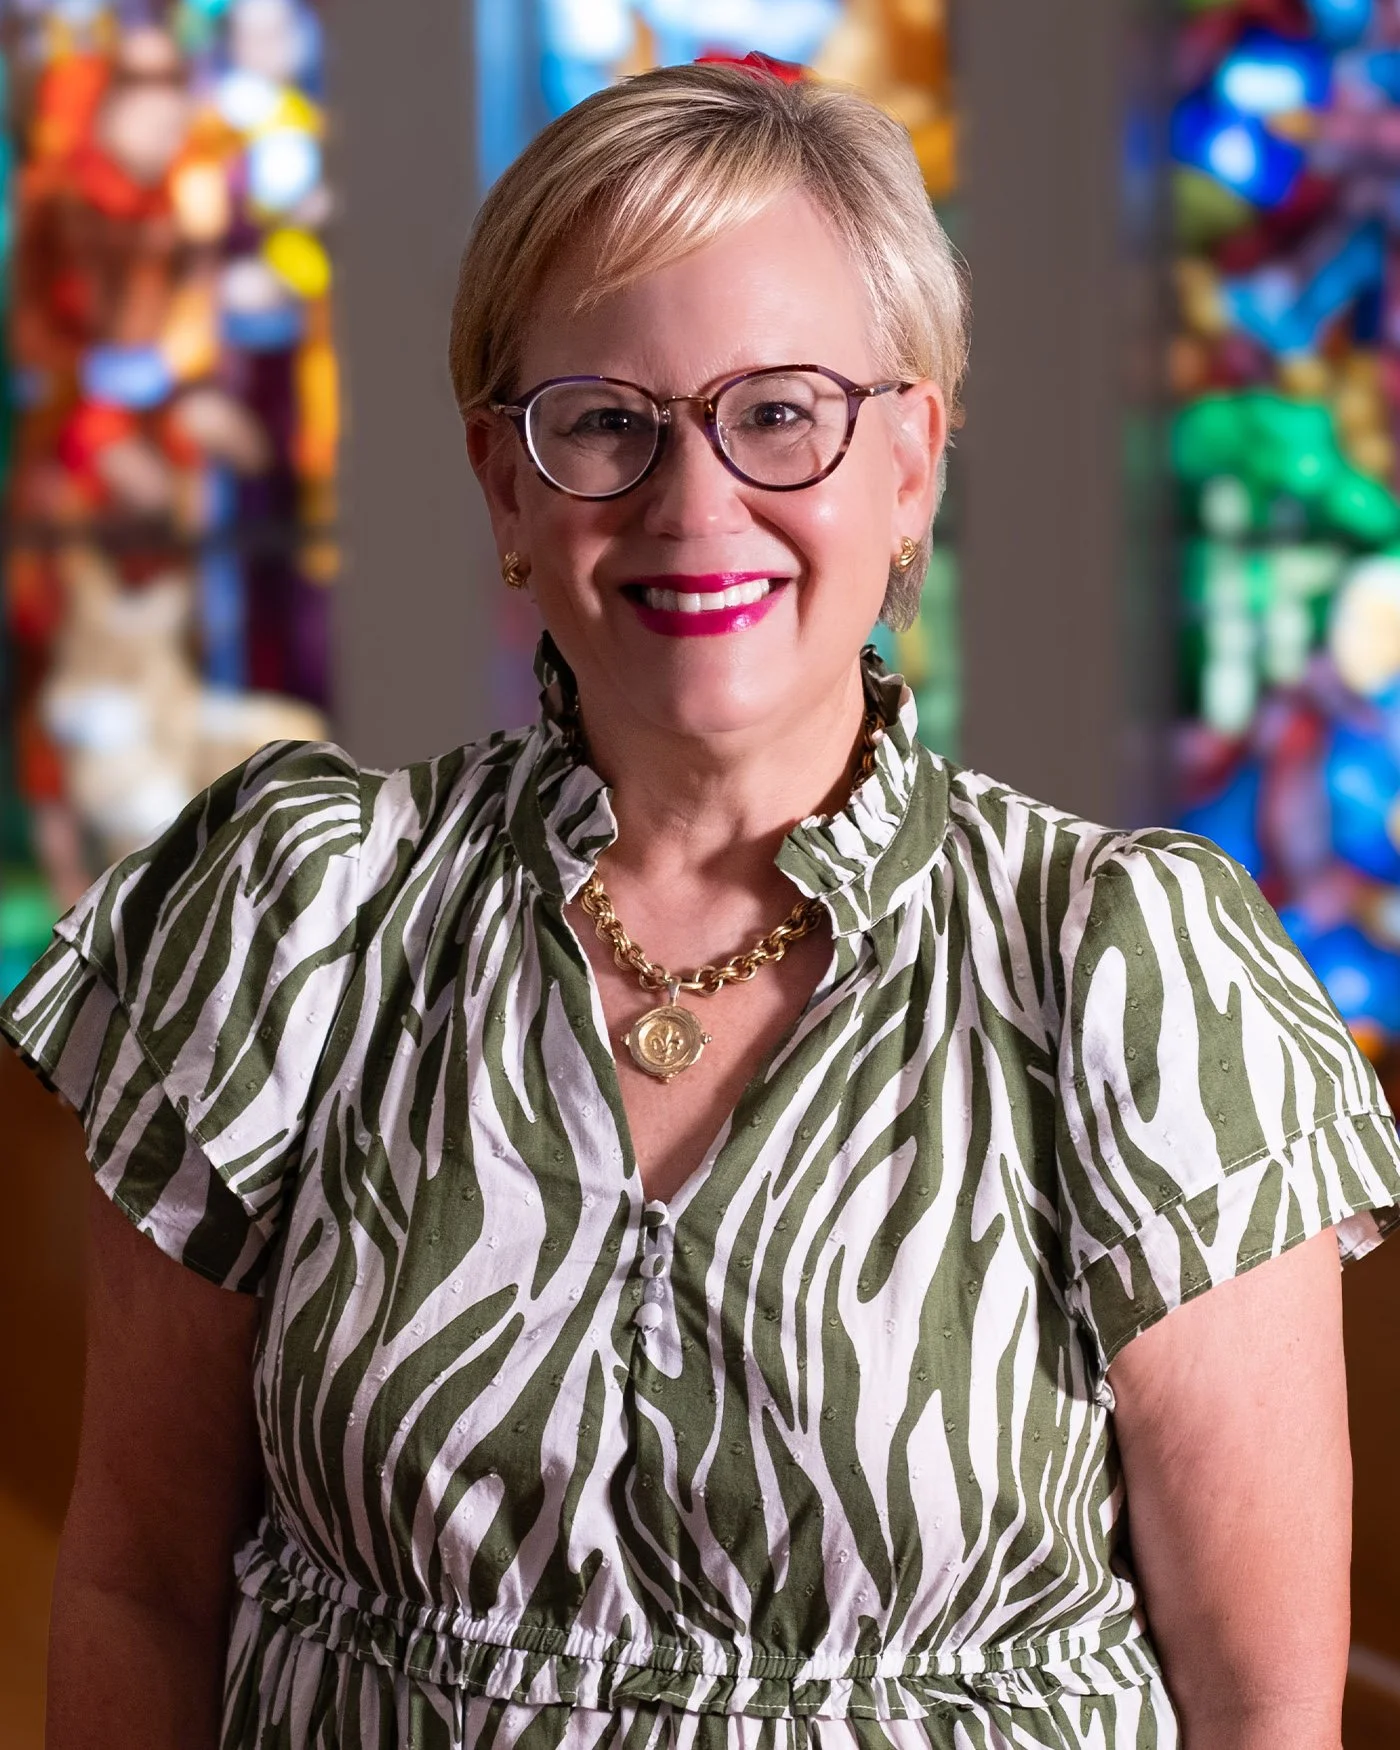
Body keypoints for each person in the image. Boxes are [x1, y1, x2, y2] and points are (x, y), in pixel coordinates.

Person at [4, 60, 1399, 1750]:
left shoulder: (1122, 968)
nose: (693, 502)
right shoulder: (303, 915)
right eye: (604, 419)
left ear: (912, 462)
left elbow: (1264, 1709)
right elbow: (140, 1585)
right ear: (505, 485)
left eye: (780, 409)